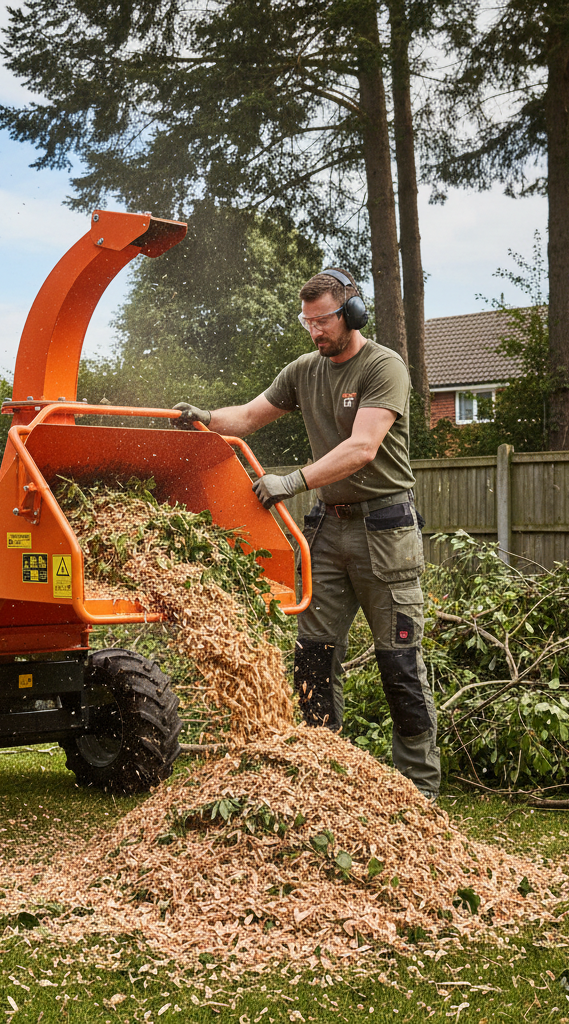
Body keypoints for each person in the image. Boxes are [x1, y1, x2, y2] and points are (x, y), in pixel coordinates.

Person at [173, 268, 440, 799]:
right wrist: (204, 417)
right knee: (313, 656)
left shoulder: (384, 366)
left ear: (352, 313)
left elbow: (363, 448)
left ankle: (419, 790)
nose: (316, 331)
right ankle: (323, 776)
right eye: (307, 322)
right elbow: (248, 417)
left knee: (399, 663)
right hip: (328, 529)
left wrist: (291, 481)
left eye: (324, 320)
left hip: (384, 532)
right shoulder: (304, 370)